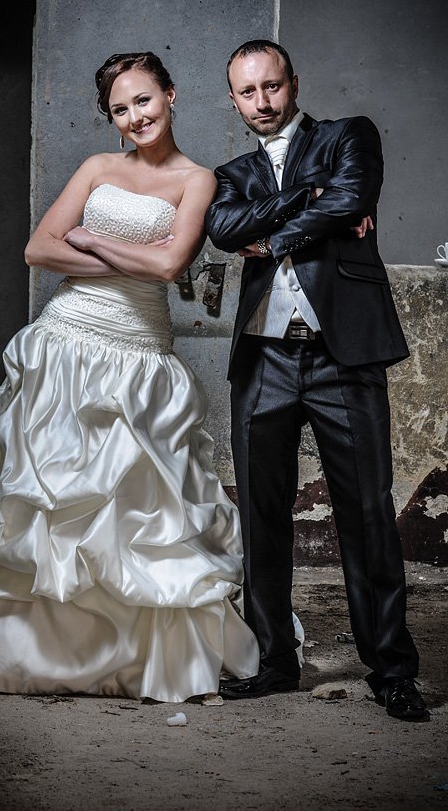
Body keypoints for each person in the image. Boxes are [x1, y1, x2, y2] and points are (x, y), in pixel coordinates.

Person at [0, 51, 287, 703]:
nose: (134, 117)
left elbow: (170, 268)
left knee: (135, 511)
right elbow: (38, 249)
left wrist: (95, 241)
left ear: (171, 94)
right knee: (45, 503)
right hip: (64, 343)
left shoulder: (198, 180)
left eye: (143, 100)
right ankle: (33, 655)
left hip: (139, 354)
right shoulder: (97, 168)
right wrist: (135, 256)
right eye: (119, 109)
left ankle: (131, 659)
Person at [205, 39, 426, 720]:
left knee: (366, 513)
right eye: (248, 92)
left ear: (293, 84)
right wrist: (309, 198)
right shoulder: (230, 172)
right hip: (264, 359)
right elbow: (223, 228)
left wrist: (273, 236)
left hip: (343, 355)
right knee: (261, 516)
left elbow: (351, 196)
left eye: (272, 86)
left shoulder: (347, 136)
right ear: (233, 100)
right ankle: (275, 661)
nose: (262, 102)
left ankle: (391, 670)